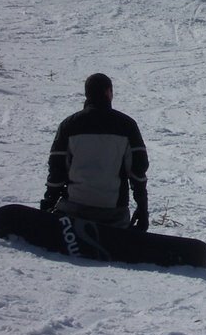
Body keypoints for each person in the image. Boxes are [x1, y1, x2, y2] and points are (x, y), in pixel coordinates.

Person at [40, 73, 149, 231]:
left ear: (87, 94)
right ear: (108, 92)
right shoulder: (127, 126)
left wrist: (47, 205)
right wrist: (142, 209)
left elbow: (57, 169)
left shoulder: (69, 125)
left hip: (74, 210)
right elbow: (138, 171)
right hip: (113, 215)